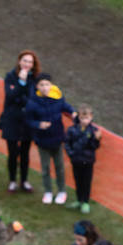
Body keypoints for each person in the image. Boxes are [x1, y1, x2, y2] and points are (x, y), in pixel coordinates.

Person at [23, 74, 73, 205]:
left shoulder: (57, 97)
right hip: (42, 140)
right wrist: (39, 125)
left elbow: (65, 106)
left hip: (57, 138)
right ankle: (48, 191)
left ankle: (62, 191)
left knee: (59, 167)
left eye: (47, 84)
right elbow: (28, 120)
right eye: (42, 85)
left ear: (51, 85)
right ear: (37, 87)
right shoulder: (32, 102)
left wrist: (73, 112)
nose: (45, 87)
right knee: (45, 168)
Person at [0, 50, 38, 191]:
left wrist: (21, 93)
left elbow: (32, 98)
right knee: (13, 152)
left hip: (27, 120)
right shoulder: (10, 76)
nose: (27, 64)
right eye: (25, 61)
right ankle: (12, 180)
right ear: (19, 62)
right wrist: (21, 83)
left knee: (25, 152)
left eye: (30, 62)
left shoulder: (35, 79)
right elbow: (10, 96)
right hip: (12, 119)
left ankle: (24, 180)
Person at [64, 105, 102, 214]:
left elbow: (94, 147)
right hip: (76, 160)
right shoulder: (72, 130)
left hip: (88, 160)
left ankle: (85, 201)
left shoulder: (94, 131)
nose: (85, 120)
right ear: (78, 118)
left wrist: (97, 140)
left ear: (91, 118)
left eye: (87, 118)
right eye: (82, 118)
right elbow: (67, 143)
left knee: (86, 181)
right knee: (77, 180)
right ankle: (78, 200)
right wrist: (71, 154)